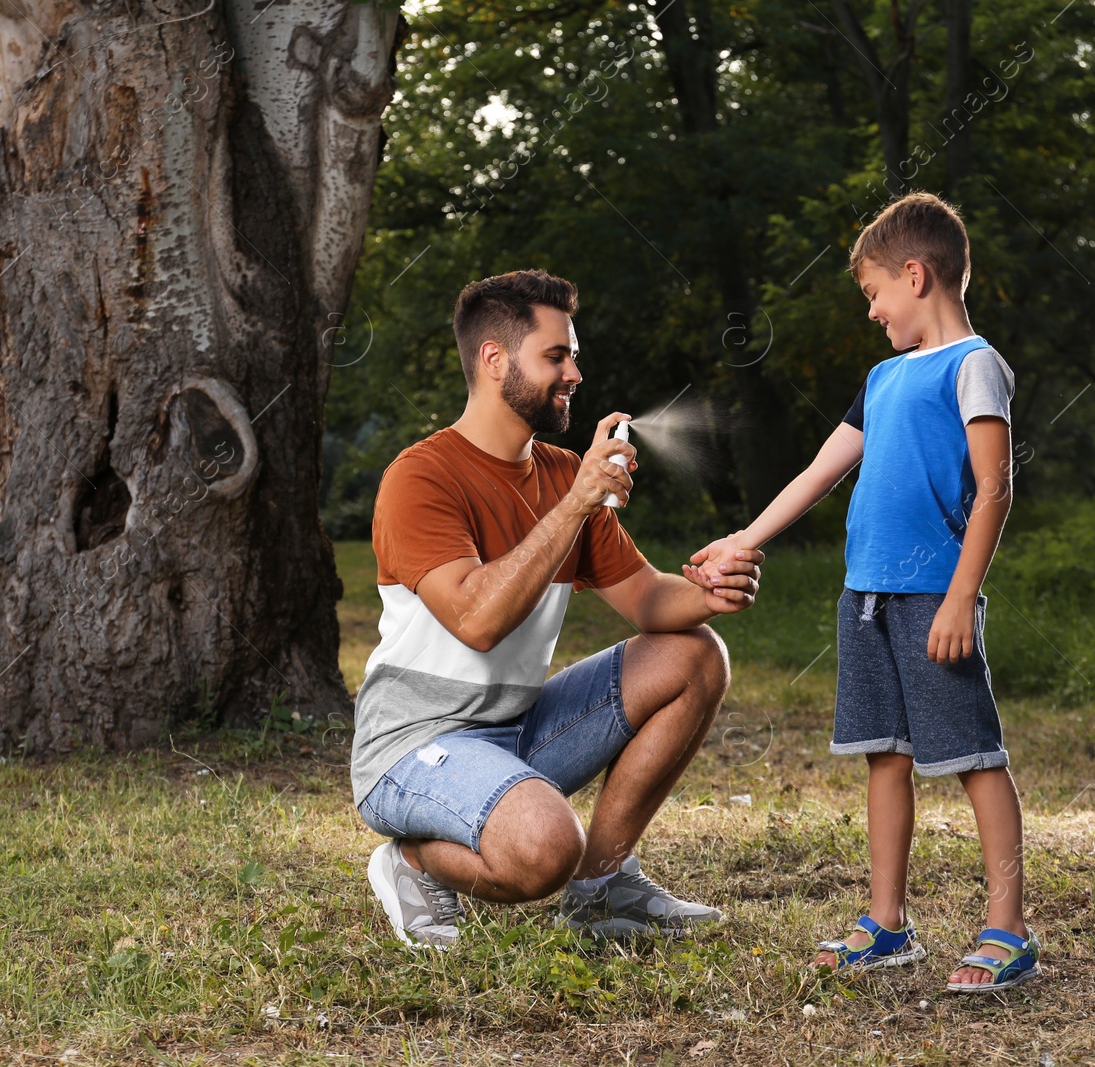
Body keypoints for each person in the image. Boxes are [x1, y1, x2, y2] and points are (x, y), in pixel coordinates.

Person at [687, 192, 1039, 992]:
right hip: (866, 600)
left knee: (975, 756)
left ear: (916, 275)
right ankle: (887, 923)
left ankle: (1008, 927)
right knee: (884, 755)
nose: (874, 311)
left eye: (876, 294)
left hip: (930, 600)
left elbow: (995, 488)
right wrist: (745, 538)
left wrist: (958, 598)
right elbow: (819, 471)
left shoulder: (974, 364)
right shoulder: (881, 378)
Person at [353, 269, 764, 949]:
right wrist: (576, 501)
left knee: (695, 653)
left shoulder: (558, 471)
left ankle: (602, 888)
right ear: (494, 360)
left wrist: (711, 587)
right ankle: (411, 859)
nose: (575, 370)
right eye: (556, 355)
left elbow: (646, 599)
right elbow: (476, 621)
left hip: (514, 730)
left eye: (573, 354)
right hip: (413, 745)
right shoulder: (421, 477)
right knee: (546, 847)